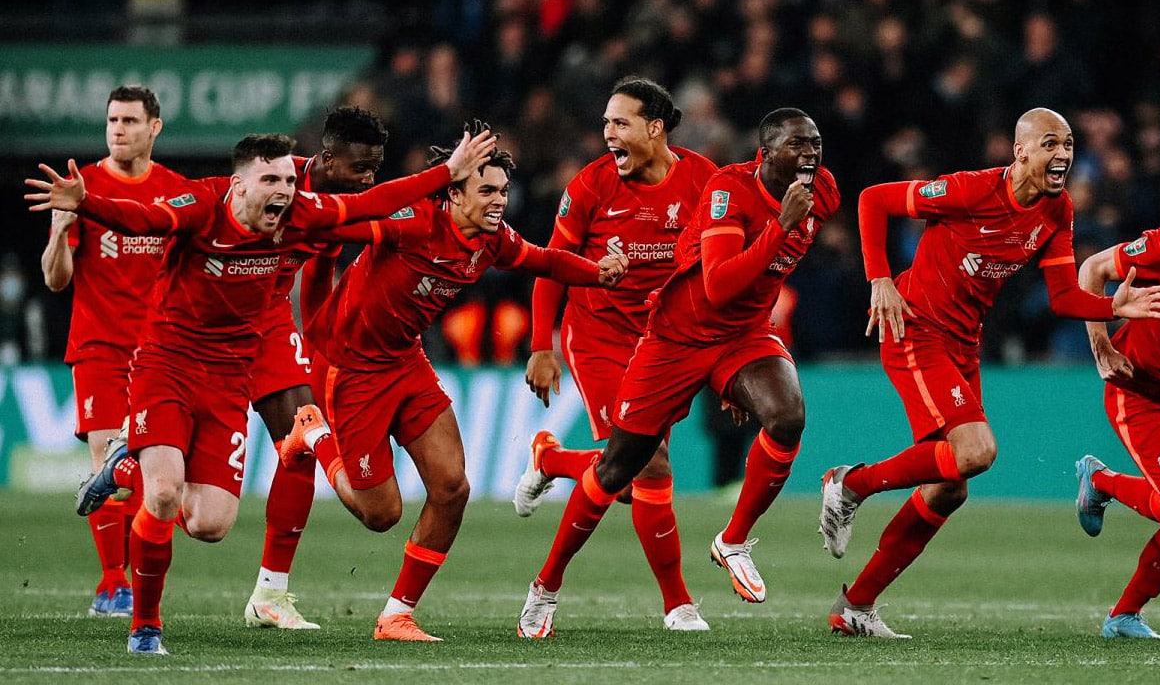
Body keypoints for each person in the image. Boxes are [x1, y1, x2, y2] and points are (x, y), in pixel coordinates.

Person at [27, 127, 496, 655]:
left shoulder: (304, 210)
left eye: (289, 182)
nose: (367, 178)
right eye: (360, 166)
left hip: (248, 340)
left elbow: (367, 211)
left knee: (220, 514)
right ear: (243, 184)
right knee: (165, 493)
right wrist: (87, 203)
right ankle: (144, 623)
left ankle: (262, 584)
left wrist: (446, 172)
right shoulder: (210, 202)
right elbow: (146, 219)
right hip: (175, 356)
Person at [818, 107, 1160, 638]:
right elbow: (873, 200)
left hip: (963, 345)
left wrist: (1112, 308)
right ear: (1020, 151)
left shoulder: (1056, 210)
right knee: (977, 451)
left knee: (948, 489)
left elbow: (1063, 296)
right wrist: (880, 279)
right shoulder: (970, 190)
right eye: (1050, 144)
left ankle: (856, 606)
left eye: (1068, 144)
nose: (1063, 154)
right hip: (916, 328)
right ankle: (850, 484)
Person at [279, 143, 629, 643]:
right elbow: (339, 223)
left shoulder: (492, 241)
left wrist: (598, 273)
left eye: (503, 191)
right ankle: (313, 434)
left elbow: (544, 260)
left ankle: (396, 616)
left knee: (452, 488)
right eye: (486, 190)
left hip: (406, 362)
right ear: (453, 193)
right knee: (382, 514)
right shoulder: (412, 223)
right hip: (351, 369)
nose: (499, 200)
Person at [517, 107, 840, 639]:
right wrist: (780, 225)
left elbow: (767, 279)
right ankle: (546, 584)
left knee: (786, 417)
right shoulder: (728, 191)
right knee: (620, 472)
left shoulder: (821, 192)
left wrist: (739, 378)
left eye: (815, 143)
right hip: (675, 336)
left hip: (742, 335)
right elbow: (719, 285)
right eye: (796, 145)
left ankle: (732, 542)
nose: (809, 155)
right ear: (764, 153)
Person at [515, 76, 718, 632]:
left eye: (620, 123)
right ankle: (676, 604)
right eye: (605, 122)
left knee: (629, 478)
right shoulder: (590, 186)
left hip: (666, 343)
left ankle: (552, 460)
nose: (608, 133)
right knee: (646, 463)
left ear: (655, 129)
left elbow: (719, 266)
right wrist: (541, 345)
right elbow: (551, 264)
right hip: (599, 336)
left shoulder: (705, 181)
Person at [39, 84, 187, 619]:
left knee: (149, 472)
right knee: (108, 458)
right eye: (112, 121)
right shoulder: (83, 187)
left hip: (161, 352)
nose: (118, 130)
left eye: (129, 120)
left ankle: (133, 576)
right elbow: (56, 280)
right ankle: (111, 584)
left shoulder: (175, 191)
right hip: (99, 345)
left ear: (154, 127)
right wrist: (60, 232)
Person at [242, 106, 387, 631]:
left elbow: (321, 266)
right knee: (199, 512)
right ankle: (129, 456)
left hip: (270, 323)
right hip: (212, 320)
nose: (368, 179)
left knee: (300, 440)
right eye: (360, 167)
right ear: (326, 159)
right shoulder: (275, 184)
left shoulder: (339, 206)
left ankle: (269, 594)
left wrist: (317, 339)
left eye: (375, 168)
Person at [1073, 221, 1160, 639]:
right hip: (1139, 391)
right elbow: (1091, 269)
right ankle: (1101, 481)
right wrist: (1101, 345)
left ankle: (1123, 616)